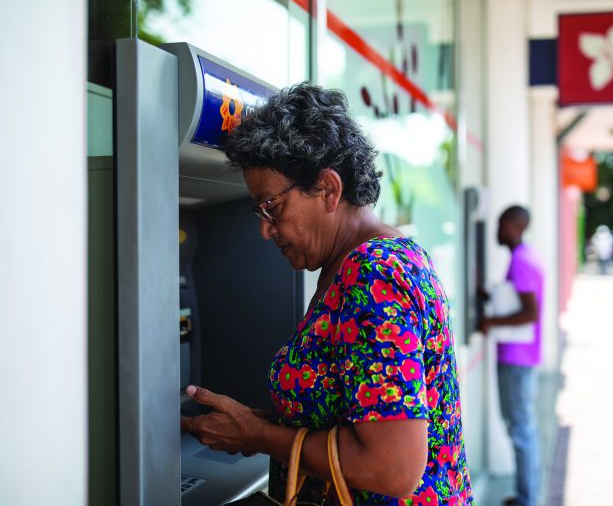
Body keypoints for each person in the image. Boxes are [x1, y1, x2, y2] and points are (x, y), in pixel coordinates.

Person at [180, 83, 473, 505]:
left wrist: (258, 434)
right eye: (257, 212)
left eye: (272, 207)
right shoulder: (361, 263)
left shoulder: (374, 276)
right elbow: (352, 414)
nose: (264, 230)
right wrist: (253, 423)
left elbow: (391, 467)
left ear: (329, 189)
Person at [481, 206, 544, 506]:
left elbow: (530, 312)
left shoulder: (520, 261)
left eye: (500, 224)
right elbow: (515, 301)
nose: (496, 231)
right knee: (522, 428)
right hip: (520, 357)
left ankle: (527, 498)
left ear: (512, 225)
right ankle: (526, 494)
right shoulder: (524, 257)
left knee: (521, 430)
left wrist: (490, 322)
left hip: (516, 359)